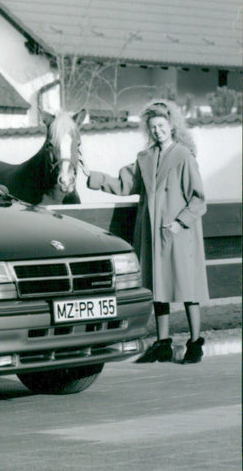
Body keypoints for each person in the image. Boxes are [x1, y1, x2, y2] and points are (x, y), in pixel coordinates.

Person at [80, 99, 209, 363]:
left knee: (187, 290)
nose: (157, 131)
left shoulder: (184, 156)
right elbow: (124, 184)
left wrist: (178, 222)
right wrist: (92, 175)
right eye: (153, 127)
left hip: (178, 235)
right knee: (157, 290)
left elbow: (198, 199)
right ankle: (163, 344)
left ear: (172, 126)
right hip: (151, 237)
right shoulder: (145, 159)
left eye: (161, 125)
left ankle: (195, 343)